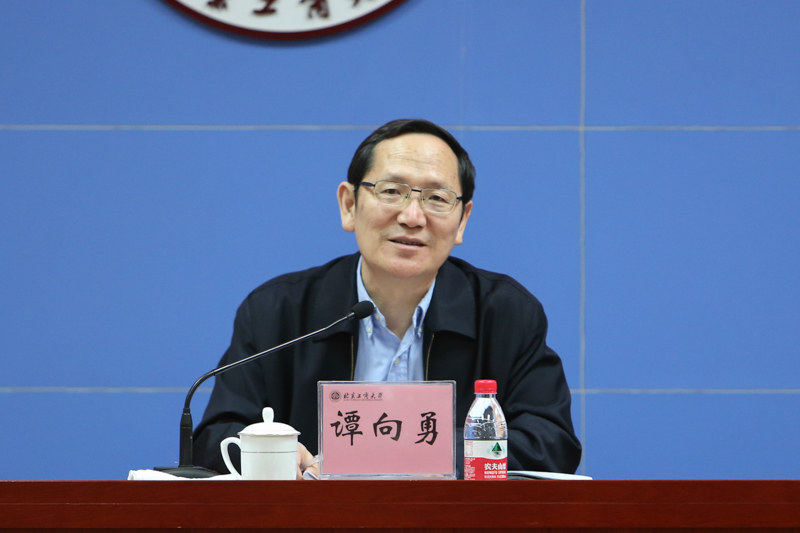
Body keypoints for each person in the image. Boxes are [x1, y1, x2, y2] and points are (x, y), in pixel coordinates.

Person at [193, 119, 582, 478]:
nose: (412, 217)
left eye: (437, 198)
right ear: (349, 205)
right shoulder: (277, 312)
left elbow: (550, 443)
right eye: (392, 191)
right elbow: (216, 438)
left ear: (462, 220)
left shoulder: (506, 313)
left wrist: (425, 454)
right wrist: (273, 456)